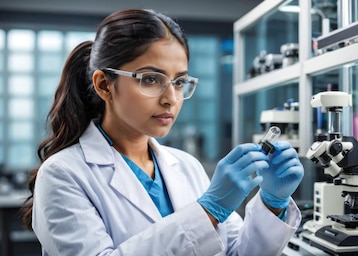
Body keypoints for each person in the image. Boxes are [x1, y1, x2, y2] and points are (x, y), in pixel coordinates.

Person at [20, 8, 304, 255]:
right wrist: (208, 211)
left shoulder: (186, 166)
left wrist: (272, 202)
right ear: (105, 85)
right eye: (151, 79)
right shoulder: (63, 174)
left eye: (179, 82)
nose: (171, 98)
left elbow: (238, 252)